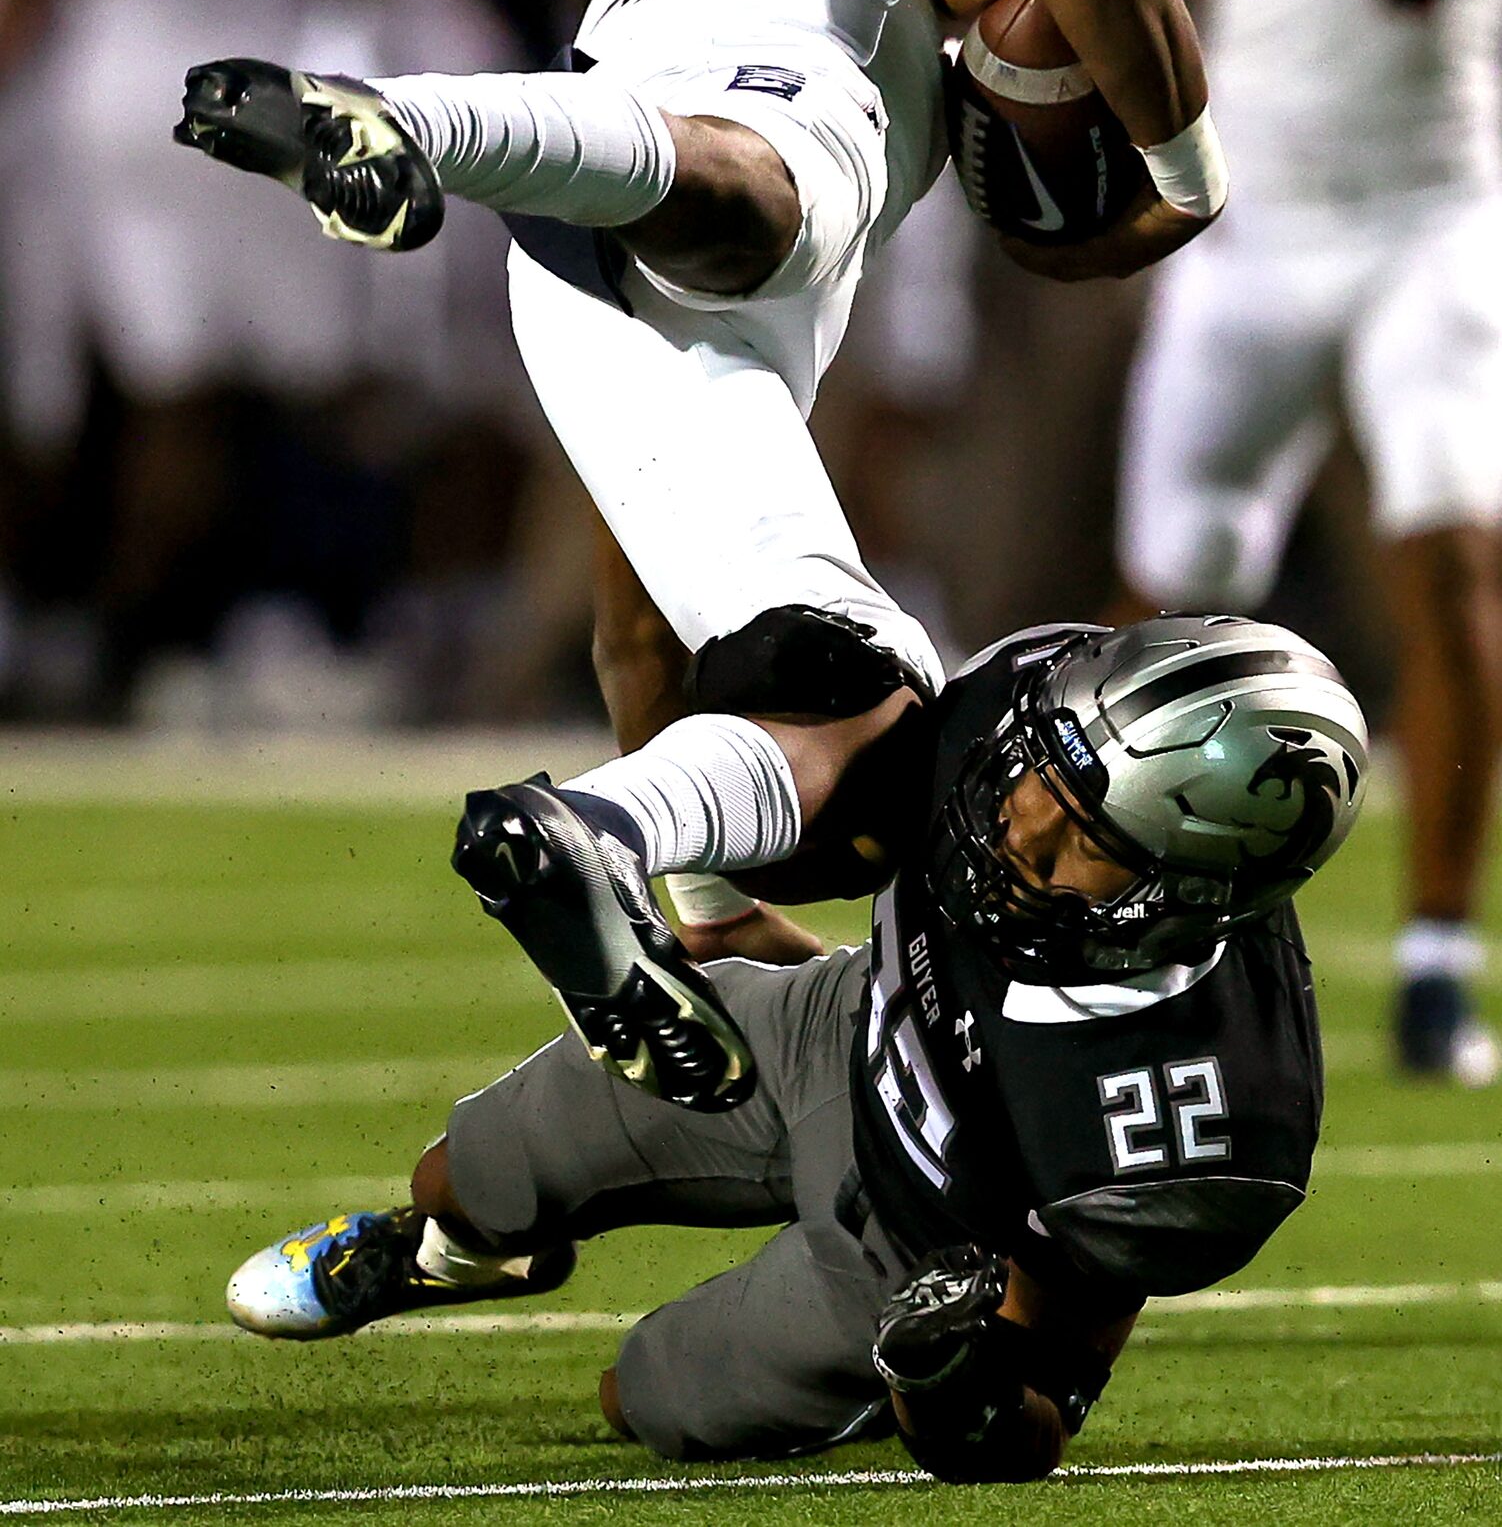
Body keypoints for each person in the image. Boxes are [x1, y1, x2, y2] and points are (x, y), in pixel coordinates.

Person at [175, 0, 1227, 965]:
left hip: (569, 249)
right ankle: (408, 119)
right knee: (759, 208)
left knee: (858, 730)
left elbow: (634, 635)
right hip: (722, 166)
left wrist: (712, 914)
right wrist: (1185, 175)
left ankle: (612, 847)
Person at [225, 614, 1366, 1480]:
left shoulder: (1192, 1127)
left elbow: (1028, 1422)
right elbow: (833, 800)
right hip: (841, 1023)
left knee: (645, 1395)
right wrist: (720, 875)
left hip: (906, 1258)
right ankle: (449, 1256)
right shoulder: (1026, 696)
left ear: (1194, 888)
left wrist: (943, 1378)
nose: (1020, 820)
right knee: (476, 1167)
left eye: (1087, 839)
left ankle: (843, 1388)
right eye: (1046, 776)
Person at [1115, 0, 1502, 1083]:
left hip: (1439, 202)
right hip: (1255, 210)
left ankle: (1434, 963)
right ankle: (1095, 931)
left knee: (1454, 560)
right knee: (1164, 600)